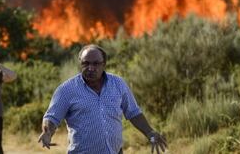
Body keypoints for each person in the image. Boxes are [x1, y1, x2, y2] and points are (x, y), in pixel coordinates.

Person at [38, 44, 167, 154]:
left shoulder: (118, 84)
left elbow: (133, 113)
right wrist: (47, 132)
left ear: (104, 64)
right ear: (80, 63)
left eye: (96, 63)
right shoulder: (67, 89)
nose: (91, 68)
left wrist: (150, 133)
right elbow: (52, 117)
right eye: (86, 63)